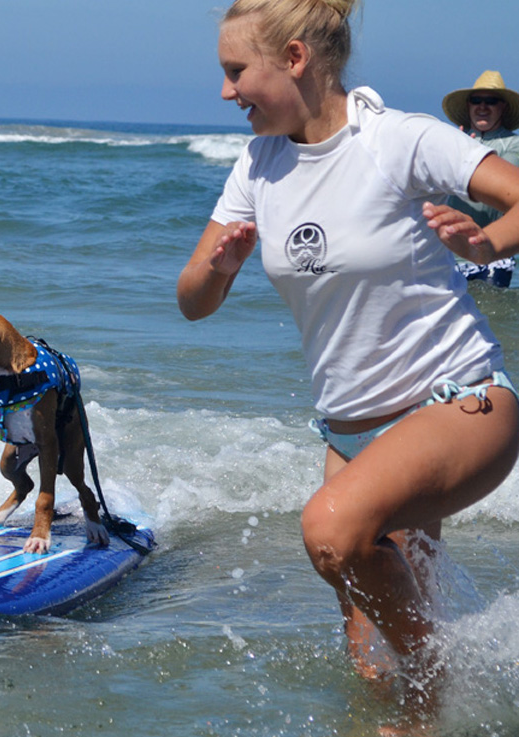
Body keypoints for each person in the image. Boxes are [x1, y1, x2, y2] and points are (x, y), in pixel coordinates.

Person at [177, 0, 519, 692]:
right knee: (368, 659)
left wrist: (487, 242)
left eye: (236, 71)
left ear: (296, 59)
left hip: (459, 405)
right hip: (351, 434)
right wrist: (220, 267)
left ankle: (441, 686)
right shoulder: (257, 164)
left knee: (330, 530)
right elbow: (191, 301)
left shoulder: (398, 140)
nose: (224, 91)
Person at [443, 70, 519, 287]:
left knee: (493, 316)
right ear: (468, 106)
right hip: (451, 255)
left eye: (491, 101)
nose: (483, 106)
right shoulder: (453, 141)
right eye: (477, 100)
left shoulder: (515, 145)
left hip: (494, 253)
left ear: (502, 107)